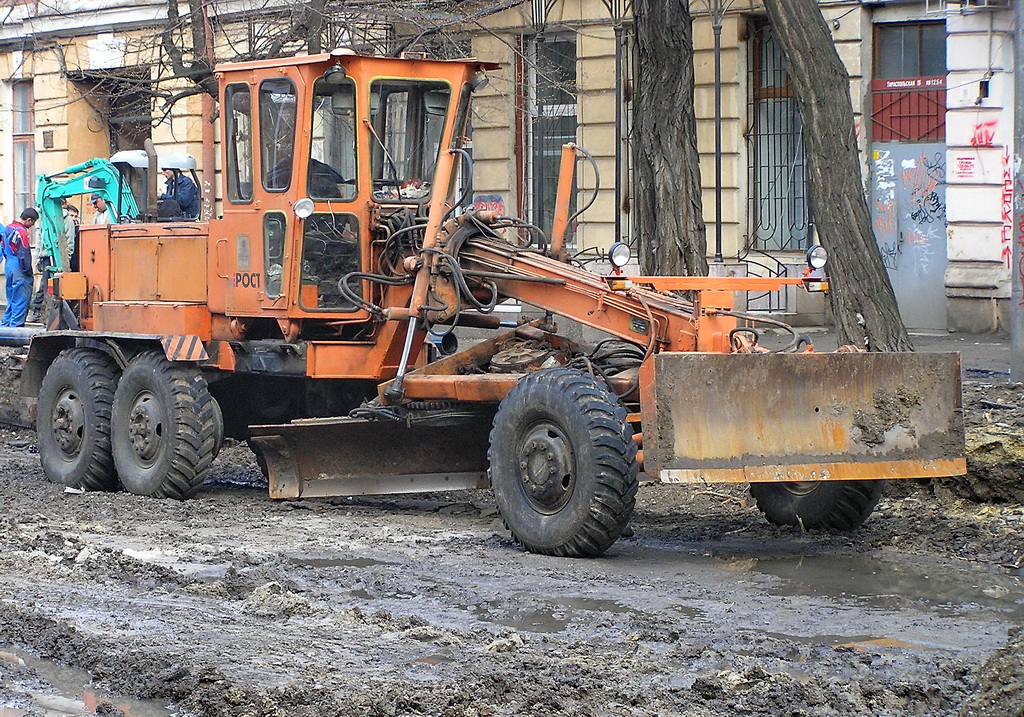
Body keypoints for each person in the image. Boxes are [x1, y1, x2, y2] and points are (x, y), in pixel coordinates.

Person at [1, 208, 39, 328]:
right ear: (28, 220)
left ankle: (4, 327)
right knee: (21, 299)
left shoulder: (8, 228)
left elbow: (3, 248)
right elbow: (23, 254)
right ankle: (15, 330)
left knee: (12, 299)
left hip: (9, 266)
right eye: (32, 223)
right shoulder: (21, 231)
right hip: (19, 268)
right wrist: (28, 271)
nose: (32, 226)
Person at [27, 201, 58, 323]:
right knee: (45, 286)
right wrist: (39, 257)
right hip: (46, 257)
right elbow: (40, 240)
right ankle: (40, 312)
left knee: (49, 287)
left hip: (54, 257)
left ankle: (46, 314)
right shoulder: (45, 222)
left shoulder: (61, 219)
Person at [65, 204, 80, 272]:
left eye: (76, 216)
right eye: (71, 215)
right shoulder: (64, 230)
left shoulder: (79, 231)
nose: (74, 218)